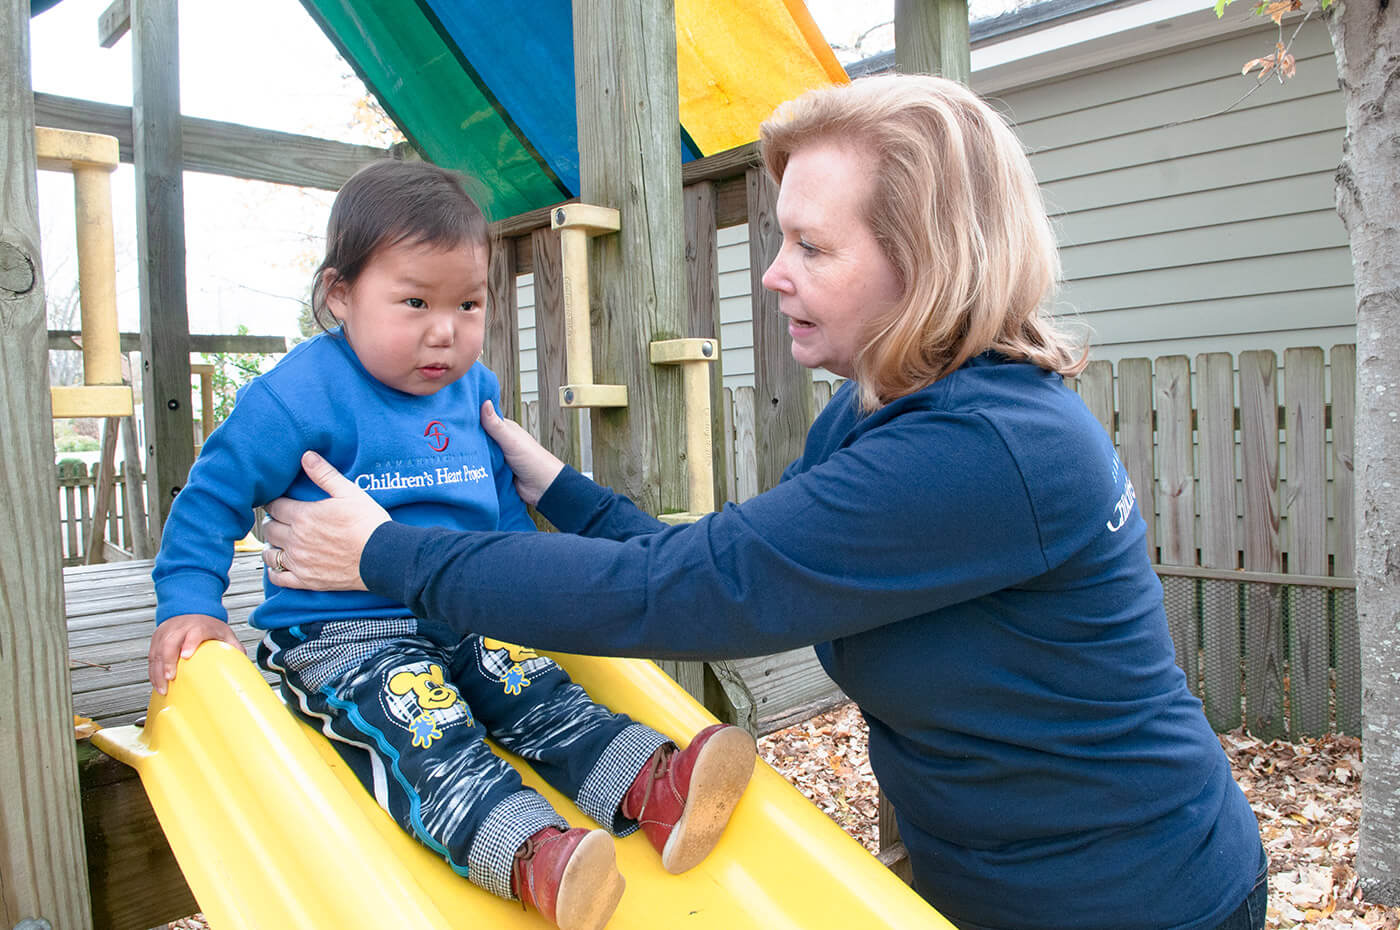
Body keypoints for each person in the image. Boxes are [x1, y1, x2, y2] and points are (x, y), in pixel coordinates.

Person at [258, 77, 1268, 930]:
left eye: (812, 248)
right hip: (991, 878)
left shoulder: (987, 450)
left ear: (926, 258)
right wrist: (554, 488)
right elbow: (723, 569)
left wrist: (388, 556)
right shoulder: (878, 410)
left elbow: (685, 597)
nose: (774, 276)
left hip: (1129, 896)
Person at [145, 160, 756, 930]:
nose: (446, 330)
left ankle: (651, 788)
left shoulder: (476, 390)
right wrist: (191, 603)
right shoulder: (295, 395)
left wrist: (523, 600)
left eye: (468, 303)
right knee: (429, 736)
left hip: (466, 612)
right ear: (340, 296)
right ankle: (533, 854)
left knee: (544, 693)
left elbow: (501, 524)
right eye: (414, 302)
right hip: (346, 636)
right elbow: (210, 497)